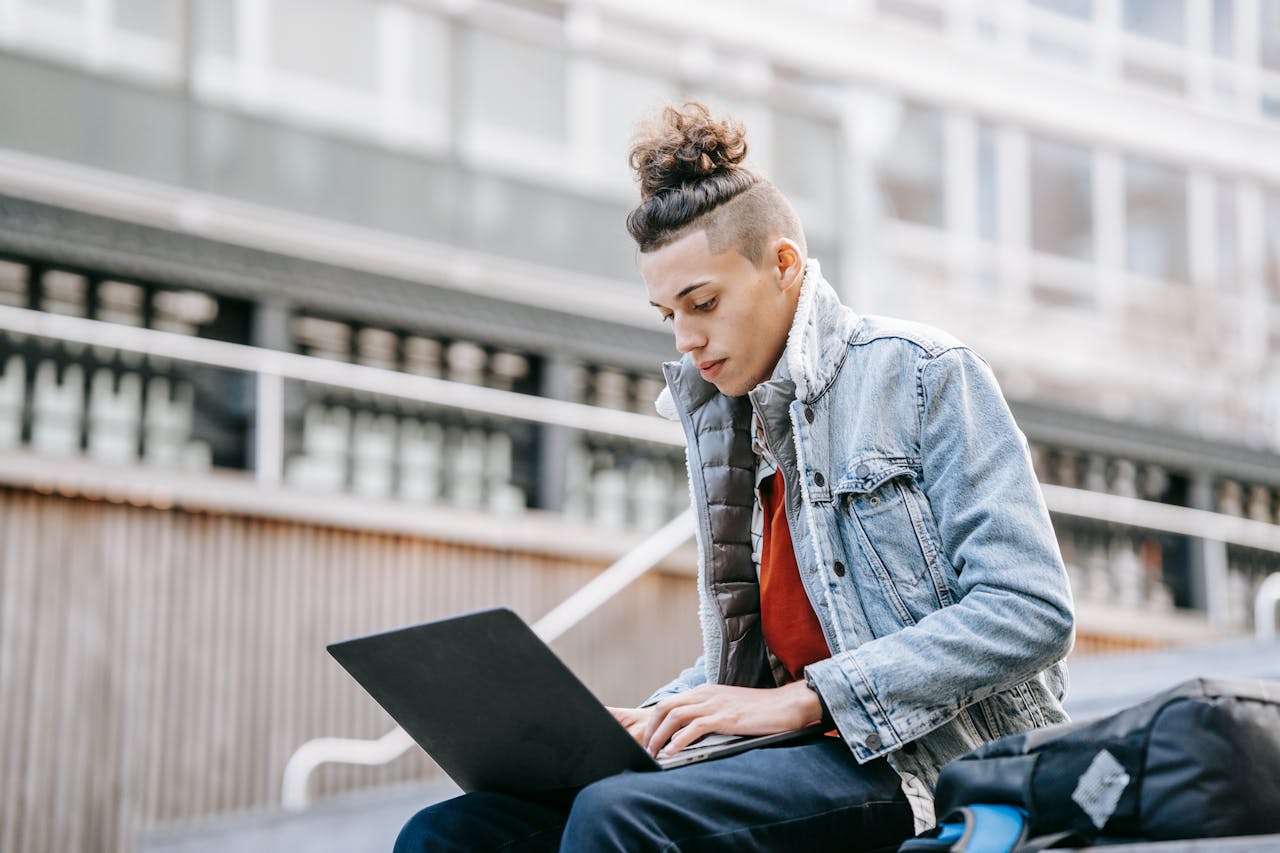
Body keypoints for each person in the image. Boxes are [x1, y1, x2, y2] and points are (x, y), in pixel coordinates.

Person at [394, 101, 1075, 852]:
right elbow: (758, 667)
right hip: (789, 755)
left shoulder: (921, 374)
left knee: (617, 818)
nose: (686, 340)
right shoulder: (731, 423)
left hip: (915, 766)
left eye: (704, 303)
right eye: (668, 315)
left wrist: (809, 700)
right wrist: (654, 715)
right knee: (454, 831)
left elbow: (1029, 608)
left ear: (784, 266)